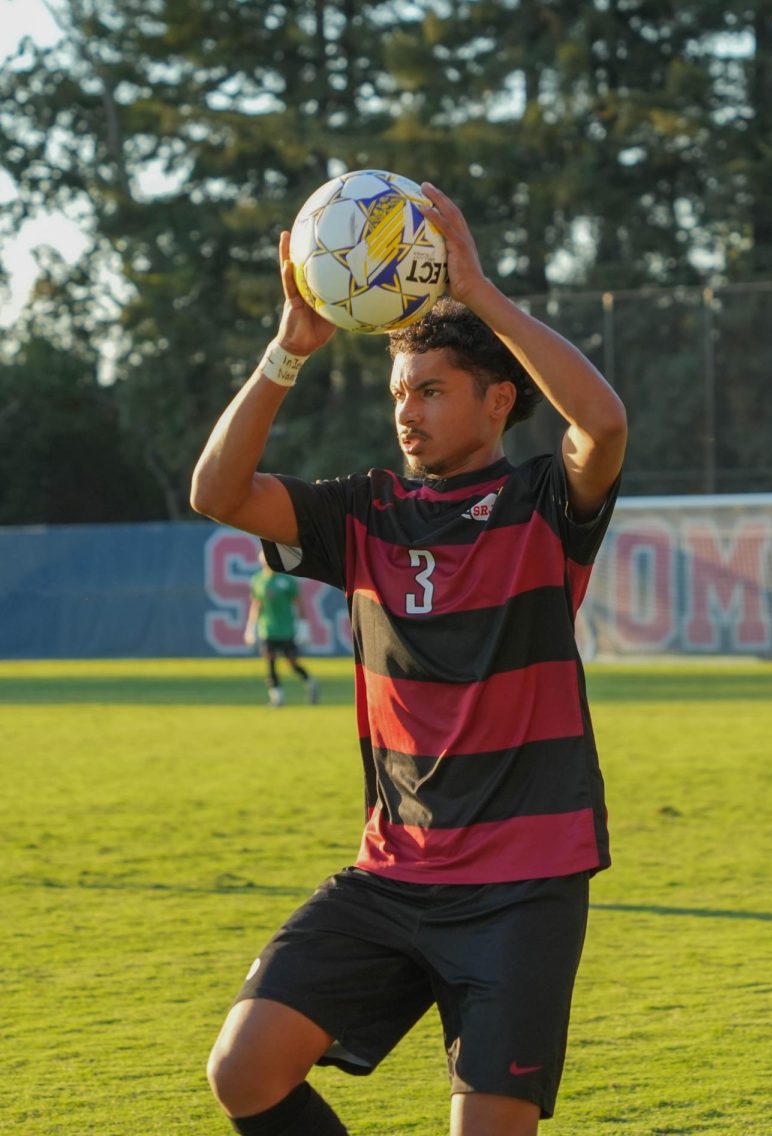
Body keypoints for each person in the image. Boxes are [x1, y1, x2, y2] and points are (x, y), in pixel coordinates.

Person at [190, 181, 627, 1136]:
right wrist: (286, 353)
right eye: (400, 393)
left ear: (498, 398)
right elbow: (217, 492)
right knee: (246, 1069)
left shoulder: (546, 506)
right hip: (393, 872)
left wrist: (478, 294)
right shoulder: (362, 514)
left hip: (523, 880)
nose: (408, 412)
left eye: (430, 390)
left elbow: (604, 423)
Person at [244, 552, 318, 706]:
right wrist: (250, 628)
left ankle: (310, 682)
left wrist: (303, 627)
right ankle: (277, 698)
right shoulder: (258, 580)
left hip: (286, 629)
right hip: (268, 629)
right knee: (270, 662)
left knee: (292, 663)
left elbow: (299, 604)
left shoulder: (287, 581)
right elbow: (256, 605)